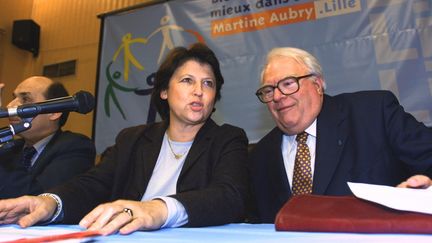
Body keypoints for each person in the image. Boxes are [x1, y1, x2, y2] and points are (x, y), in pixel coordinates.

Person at [0, 43, 249, 235]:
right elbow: (92, 184)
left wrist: (158, 209)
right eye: (187, 80)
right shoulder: (133, 140)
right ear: (163, 91)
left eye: (209, 84)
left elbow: (229, 197)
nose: (199, 91)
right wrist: (50, 202)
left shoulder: (227, 139)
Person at [249, 47, 432, 223]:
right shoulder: (260, 156)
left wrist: (426, 188)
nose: (278, 96)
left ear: (317, 85)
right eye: (269, 91)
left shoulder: (374, 114)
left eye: (288, 83)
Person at [0, 77, 96, 198]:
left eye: (25, 99)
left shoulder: (76, 146)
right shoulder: (9, 148)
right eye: (13, 97)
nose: (10, 106)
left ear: (54, 112)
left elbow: (36, 200)